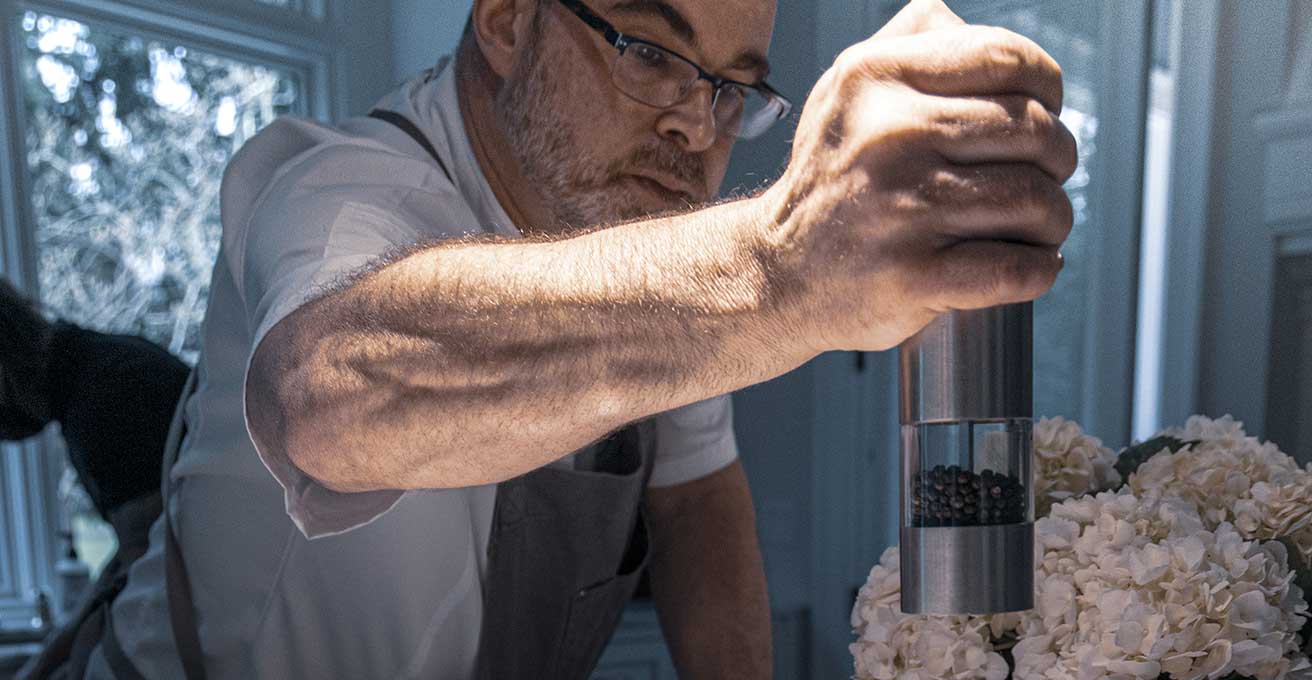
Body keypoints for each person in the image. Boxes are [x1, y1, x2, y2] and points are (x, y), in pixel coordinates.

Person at [20, 0, 1078, 676]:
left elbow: (697, 497)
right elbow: (328, 392)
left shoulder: (635, 244)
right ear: (507, 18)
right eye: (649, 49)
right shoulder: (340, 181)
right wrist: (774, 267)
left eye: (730, 86)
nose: (692, 126)